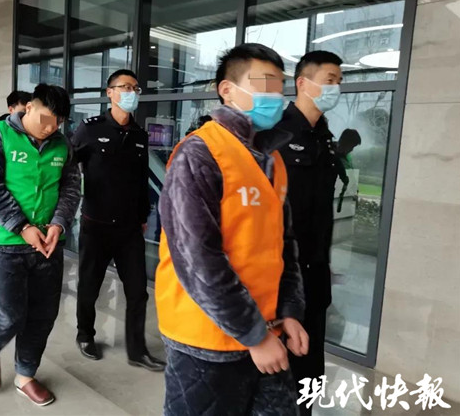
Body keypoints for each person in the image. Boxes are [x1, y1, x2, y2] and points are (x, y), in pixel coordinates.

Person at [156, 43, 308, 415]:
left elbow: (283, 244)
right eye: (265, 84)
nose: (276, 96)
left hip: (267, 330)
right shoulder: (200, 153)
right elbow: (198, 260)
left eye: (280, 86)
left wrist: (289, 310)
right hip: (207, 342)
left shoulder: (272, 159)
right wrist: (255, 335)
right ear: (227, 90)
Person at [0, 84, 80, 406]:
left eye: (58, 122)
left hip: (48, 243)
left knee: (43, 314)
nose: (51, 127)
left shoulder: (62, 144)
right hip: (5, 242)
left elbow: (70, 187)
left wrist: (59, 223)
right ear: (28, 108)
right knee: (7, 313)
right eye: (46, 119)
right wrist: (21, 227)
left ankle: (26, 375)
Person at [72, 69, 165, 372]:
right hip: (96, 225)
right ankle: (85, 334)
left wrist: (143, 216)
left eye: (135, 88)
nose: (131, 93)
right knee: (89, 286)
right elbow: (68, 170)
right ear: (110, 93)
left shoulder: (139, 135)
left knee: (137, 291)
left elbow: (141, 180)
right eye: (125, 87)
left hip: (129, 229)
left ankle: (137, 350)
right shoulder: (89, 129)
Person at [275, 50, 343, 415]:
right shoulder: (275, 132)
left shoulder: (325, 139)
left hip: (315, 272)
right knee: (278, 370)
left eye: (339, 81)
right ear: (302, 83)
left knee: (310, 370)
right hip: (280, 275)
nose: (336, 88)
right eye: (330, 80)